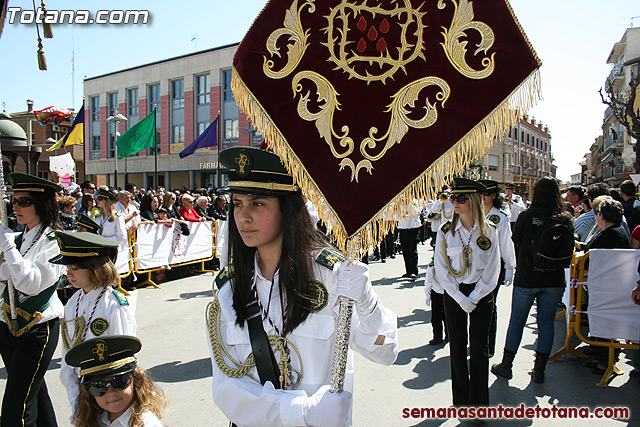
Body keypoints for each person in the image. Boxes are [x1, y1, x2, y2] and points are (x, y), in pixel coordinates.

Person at [207, 146, 398, 427]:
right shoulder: (229, 289)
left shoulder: (331, 277)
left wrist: (367, 302)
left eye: (257, 203)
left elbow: (385, 353)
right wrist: (301, 412)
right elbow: (226, 387)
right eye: (237, 204)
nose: (243, 217)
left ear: (287, 208)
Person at [492, 177, 574, 384]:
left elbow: (515, 241)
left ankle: (507, 365)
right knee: (546, 323)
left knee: (517, 320)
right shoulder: (564, 218)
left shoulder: (527, 216)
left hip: (528, 277)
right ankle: (539, 370)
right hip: (554, 278)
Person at [0, 172, 65, 427]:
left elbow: (30, 283)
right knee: (34, 394)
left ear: (42, 204)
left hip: (38, 328)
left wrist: (8, 249)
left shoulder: (54, 241)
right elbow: (7, 275)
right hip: (8, 325)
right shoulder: (21, 237)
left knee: (17, 405)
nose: (16, 207)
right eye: (14, 201)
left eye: (23, 202)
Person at [51, 231, 137, 412]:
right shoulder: (73, 303)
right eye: (68, 268)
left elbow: (124, 359)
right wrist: (74, 398)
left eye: (74, 268)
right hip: (83, 390)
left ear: (94, 267)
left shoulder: (113, 303)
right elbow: (68, 355)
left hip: (109, 392)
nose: (68, 273)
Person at [434, 177, 500, 408]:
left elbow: (493, 269)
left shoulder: (489, 231)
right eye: (453, 198)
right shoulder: (445, 231)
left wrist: (474, 296)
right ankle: (461, 401)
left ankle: (480, 405)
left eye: (460, 198)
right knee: (458, 347)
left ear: (473, 199)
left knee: (480, 349)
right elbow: (441, 269)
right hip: (454, 294)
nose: (455, 202)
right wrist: (461, 298)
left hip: (481, 294)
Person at [65, 335, 166, 427]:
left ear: (135, 381)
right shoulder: (95, 419)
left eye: (119, 382)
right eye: (99, 386)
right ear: (89, 392)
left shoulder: (146, 423)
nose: (111, 392)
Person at [479, 179, 516, 358]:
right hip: (476, 266)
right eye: (480, 193)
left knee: (489, 304)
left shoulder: (500, 217)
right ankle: (477, 341)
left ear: (494, 195)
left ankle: (488, 344)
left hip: (495, 265)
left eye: (486, 193)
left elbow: (506, 243)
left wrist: (510, 266)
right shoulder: (473, 213)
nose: (483, 197)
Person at [397, 200, 422, 280]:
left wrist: (409, 203)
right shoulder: (399, 203)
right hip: (403, 229)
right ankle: (408, 271)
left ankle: (414, 271)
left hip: (413, 229)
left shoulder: (415, 202)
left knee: (412, 250)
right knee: (405, 250)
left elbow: (417, 213)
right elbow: (396, 217)